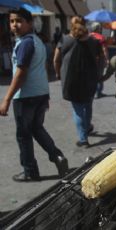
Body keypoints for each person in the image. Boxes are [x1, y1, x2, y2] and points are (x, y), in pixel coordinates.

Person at [0, 8, 68, 182]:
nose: (15, 25)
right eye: (12, 21)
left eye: (19, 21)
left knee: (23, 134)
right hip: (39, 93)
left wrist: (6, 99)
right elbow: (43, 69)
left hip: (25, 96)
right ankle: (57, 156)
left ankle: (30, 171)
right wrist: (46, 94)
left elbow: (21, 74)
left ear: (29, 23)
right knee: (37, 128)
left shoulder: (25, 44)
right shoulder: (37, 41)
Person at [53, 16, 102, 147]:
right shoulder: (94, 41)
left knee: (78, 110)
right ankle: (87, 127)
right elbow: (102, 59)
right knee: (88, 105)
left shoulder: (64, 40)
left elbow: (56, 59)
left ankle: (83, 138)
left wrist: (58, 73)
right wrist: (100, 74)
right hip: (90, 79)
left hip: (71, 80)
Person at [89, 22, 108, 98]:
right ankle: (98, 92)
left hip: (90, 58)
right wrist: (107, 59)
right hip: (99, 58)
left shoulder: (88, 36)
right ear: (98, 29)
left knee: (91, 75)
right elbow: (104, 49)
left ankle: (92, 91)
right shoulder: (101, 37)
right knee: (99, 75)